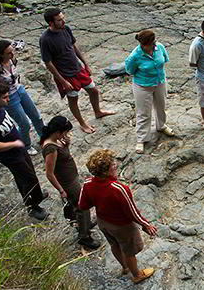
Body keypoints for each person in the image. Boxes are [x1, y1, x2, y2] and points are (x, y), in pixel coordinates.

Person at [79, 149, 158, 284]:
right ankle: (137, 275)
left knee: (114, 244)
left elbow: (82, 205)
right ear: (106, 171)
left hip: (103, 222)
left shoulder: (88, 183)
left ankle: (125, 267)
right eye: (113, 164)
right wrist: (145, 224)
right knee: (129, 251)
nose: (115, 165)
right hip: (122, 226)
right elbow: (132, 212)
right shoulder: (118, 188)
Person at [0, 83, 49, 220]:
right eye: (4, 97)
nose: (8, 99)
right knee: (27, 179)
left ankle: (37, 195)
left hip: (19, 149)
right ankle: (32, 207)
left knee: (30, 174)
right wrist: (13, 143)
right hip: (10, 155)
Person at [39, 7, 115, 134]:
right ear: (50, 23)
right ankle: (82, 123)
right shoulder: (45, 39)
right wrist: (62, 81)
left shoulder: (66, 29)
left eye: (63, 18)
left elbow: (73, 46)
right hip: (65, 75)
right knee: (73, 99)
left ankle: (98, 112)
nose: (63, 22)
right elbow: (48, 63)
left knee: (94, 91)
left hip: (78, 69)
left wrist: (85, 63)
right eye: (59, 20)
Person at [41, 116, 100, 249]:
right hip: (68, 183)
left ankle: (84, 223)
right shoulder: (51, 148)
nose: (66, 135)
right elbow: (49, 173)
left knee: (79, 205)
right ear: (58, 132)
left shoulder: (57, 141)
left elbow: (63, 158)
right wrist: (61, 190)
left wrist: (66, 145)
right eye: (65, 132)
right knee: (82, 206)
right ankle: (84, 236)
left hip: (71, 178)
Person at [0, 40, 45, 155]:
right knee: (24, 123)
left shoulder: (12, 60)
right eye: (9, 53)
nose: (12, 54)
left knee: (36, 116)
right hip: (9, 97)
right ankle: (25, 145)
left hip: (19, 90)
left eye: (12, 51)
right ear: (0, 54)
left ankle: (45, 138)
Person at [125, 29, 175, 154]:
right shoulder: (135, 56)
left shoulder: (160, 47)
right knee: (144, 113)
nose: (155, 44)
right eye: (152, 43)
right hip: (143, 85)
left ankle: (161, 125)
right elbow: (130, 70)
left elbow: (164, 60)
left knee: (161, 106)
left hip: (159, 81)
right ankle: (141, 139)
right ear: (144, 44)